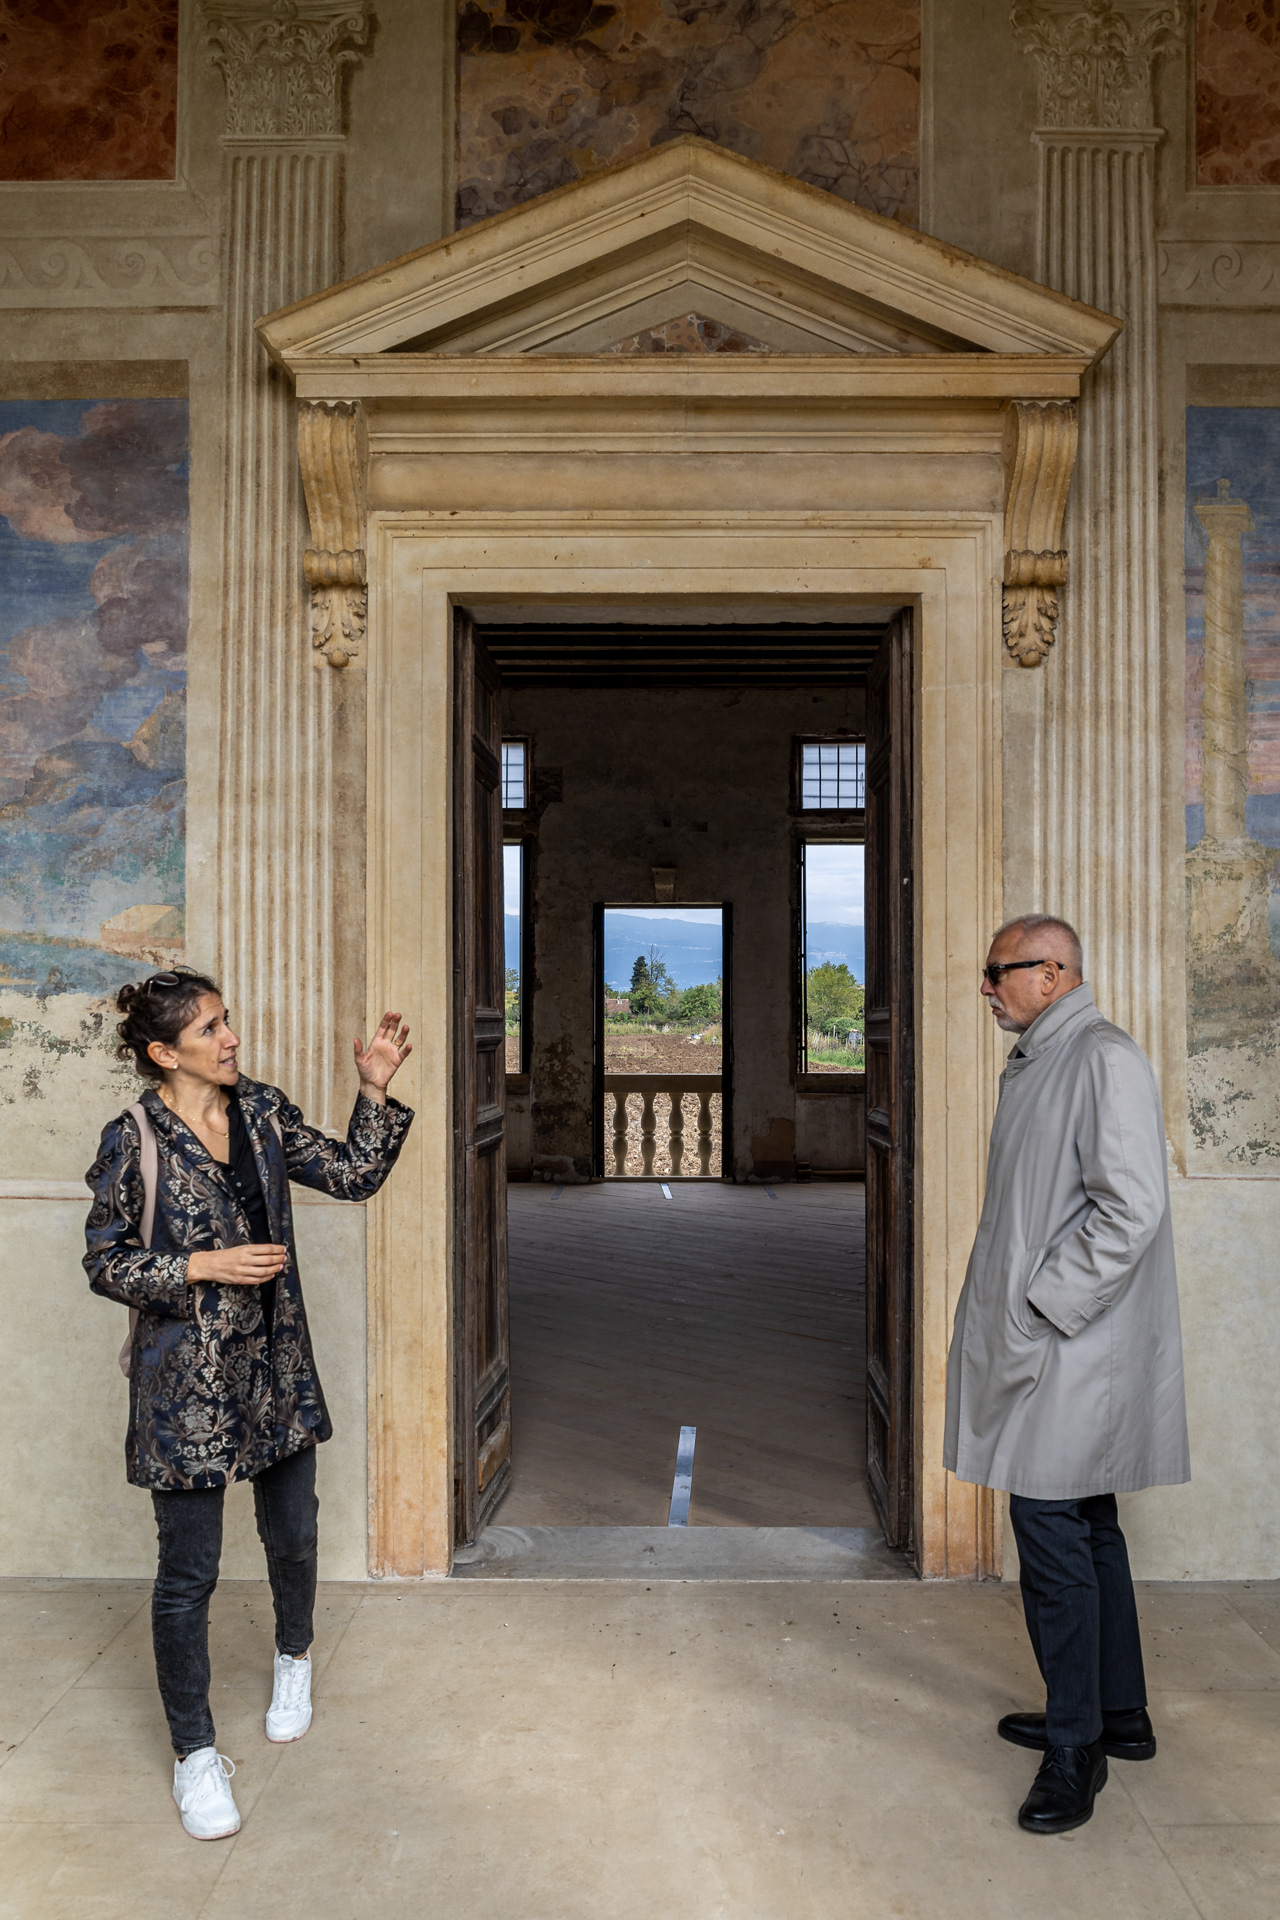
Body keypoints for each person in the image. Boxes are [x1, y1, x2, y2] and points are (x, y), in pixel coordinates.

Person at [83, 968, 413, 1841]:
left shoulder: (262, 1110)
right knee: (187, 1574)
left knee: (294, 1535)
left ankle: (293, 1655)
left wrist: (374, 1091)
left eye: (226, 1021)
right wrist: (203, 1265)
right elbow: (105, 1262)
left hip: (276, 1368)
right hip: (184, 1389)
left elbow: (352, 1175)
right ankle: (194, 1755)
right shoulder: (133, 1138)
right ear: (165, 1053)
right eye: (210, 1028)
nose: (230, 1038)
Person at [944, 915, 1189, 1836]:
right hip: (1062, 1344)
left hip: (1072, 1345)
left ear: (1050, 974)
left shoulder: (1100, 1058)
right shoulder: (1051, 1055)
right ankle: (1118, 1713)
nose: (986, 987)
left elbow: (1131, 1208)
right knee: (1088, 1520)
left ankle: (1076, 1748)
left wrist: (1044, 1302)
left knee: (1049, 1524)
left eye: (997, 971)